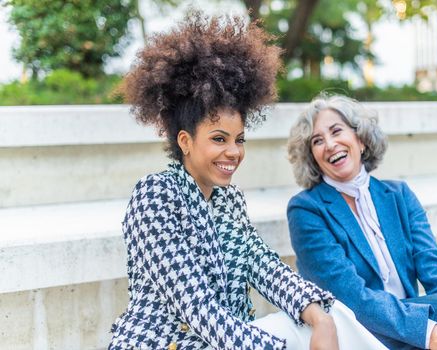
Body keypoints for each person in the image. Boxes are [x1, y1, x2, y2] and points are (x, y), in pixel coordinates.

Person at [108, 13, 386, 350]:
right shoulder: (156, 195)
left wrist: (318, 314)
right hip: (169, 343)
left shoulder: (229, 200)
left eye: (239, 140)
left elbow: (263, 265)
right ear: (184, 141)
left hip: (229, 340)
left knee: (337, 318)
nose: (233, 152)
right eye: (219, 139)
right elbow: (199, 310)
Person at [286, 93, 437, 350]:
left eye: (336, 131)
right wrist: (430, 333)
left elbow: (436, 266)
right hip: (356, 331)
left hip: (408, 328)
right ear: (312, 157)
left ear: (360, 138)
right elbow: (351, 297)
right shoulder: (306, 209)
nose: (329, 144)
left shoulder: (399, 196)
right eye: (317, 141)